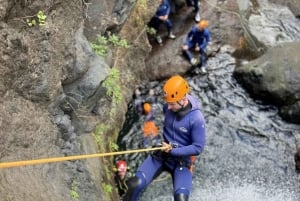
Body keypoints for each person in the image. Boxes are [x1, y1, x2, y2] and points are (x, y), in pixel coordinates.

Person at [123, 75, 206, 201]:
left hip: (181, 162)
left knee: (181, 198)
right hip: (162, 155)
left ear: (183, 99)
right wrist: (166, 148)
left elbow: (198, 147)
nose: (169, 107)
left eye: (172, 104)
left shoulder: (196, 118)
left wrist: (173, 150)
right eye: (168, 103)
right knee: (135, 184)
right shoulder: (168, 106)